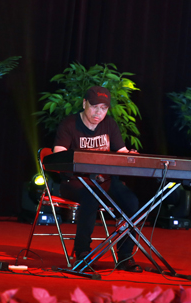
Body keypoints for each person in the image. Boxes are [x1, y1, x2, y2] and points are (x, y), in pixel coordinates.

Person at [53, 86, 142, 272]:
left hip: (104, 181)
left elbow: (122, 152)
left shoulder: (109, 124)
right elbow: (58, 156)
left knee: (132, 202)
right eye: (94, 107)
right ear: (84, 103)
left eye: (103, 108)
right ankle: (83, 253)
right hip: (75, 182)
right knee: (91, 197)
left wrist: (131, 156)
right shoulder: (69, 124)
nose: (98, 112)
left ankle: (125, 256)